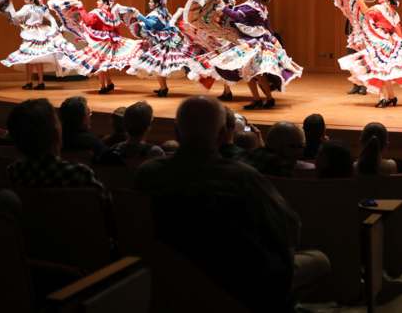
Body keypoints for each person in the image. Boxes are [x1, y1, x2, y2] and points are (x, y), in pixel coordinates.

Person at [135, 96, 328, 313]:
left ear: (176, 131)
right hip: (235, 282)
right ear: (222, 135)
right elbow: (289, 227)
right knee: (319, 261)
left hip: (164, 277)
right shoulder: (241, 177)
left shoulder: (147, 173)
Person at [188, 0, 303, 110]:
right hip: (256, 41)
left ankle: (262, 99)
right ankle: (264, 99)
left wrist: (224, 8)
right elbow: (264, 25)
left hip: (254, 43)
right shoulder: (259, 6)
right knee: (254, 72)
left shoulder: (251, 7)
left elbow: (238, 17)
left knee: (251, 72)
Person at [49, 0, 141, 94]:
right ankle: (108, 83)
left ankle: (104, 86)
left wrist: (81, 9)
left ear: (104, 3)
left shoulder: (97, 12)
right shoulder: (111, 14)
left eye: (99, 0)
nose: (97, 2)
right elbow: (115, 29)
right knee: (102, 64)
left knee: (99, 65)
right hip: (108, 42)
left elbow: (88, 21)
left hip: (100, 44)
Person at [0, 0, 76, 89]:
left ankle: (30, 82)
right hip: (40, 32)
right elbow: (51, 18)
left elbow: (15, 16)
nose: (24, 0)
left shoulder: (27, 7)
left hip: (31, 33)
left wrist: (10, 4)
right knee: (38, 58)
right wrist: (54, 28)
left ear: (31, 0)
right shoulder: (41, 7)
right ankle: (40, 82)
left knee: (29, 59)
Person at [6, 99, 104, 191]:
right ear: (55, 132)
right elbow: (105, 203)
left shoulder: (13, 172)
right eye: (57, 122)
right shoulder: (80, 174)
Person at [127, 0, 204, 97]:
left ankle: (164, 87)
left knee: (159, 63)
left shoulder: (157, 14)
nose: (149, 3)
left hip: (163, 41)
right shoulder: (165, 12)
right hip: (169, 39)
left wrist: (139, 15)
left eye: (151, 2)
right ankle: (163, 87)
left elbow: (152, 24)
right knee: (163, 63)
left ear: (156, 3)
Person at [242, 121, 313, 177]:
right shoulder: (283, 170)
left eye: (302, 146)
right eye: (293, 146)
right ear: (276, 145)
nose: (300, 152)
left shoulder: (245, 159)